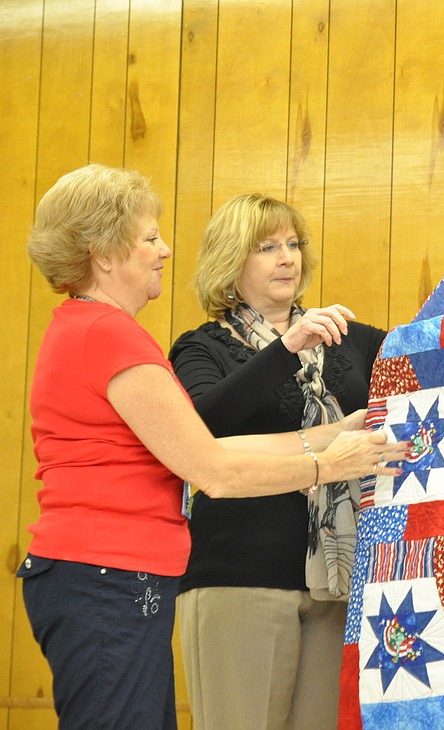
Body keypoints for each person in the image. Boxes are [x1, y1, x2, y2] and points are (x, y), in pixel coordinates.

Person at [18, 164, 408, 729]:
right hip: (106, 576)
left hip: (113, 576)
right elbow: (214, 467)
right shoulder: (108, 334)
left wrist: (329, 437)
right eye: (150, 238)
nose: (165, 250)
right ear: (104, 252)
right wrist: (326, 463)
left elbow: (200, 448)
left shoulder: (90, 328)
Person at [168, 193, 388, 729]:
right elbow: (203, 429)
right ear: (230, 261)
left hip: (335, 583)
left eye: (294, 244)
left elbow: (439, 357)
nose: (287, 257)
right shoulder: (202, 349)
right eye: (267, 247)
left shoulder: (351, 340)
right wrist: (285, 349)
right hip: (239, 579)